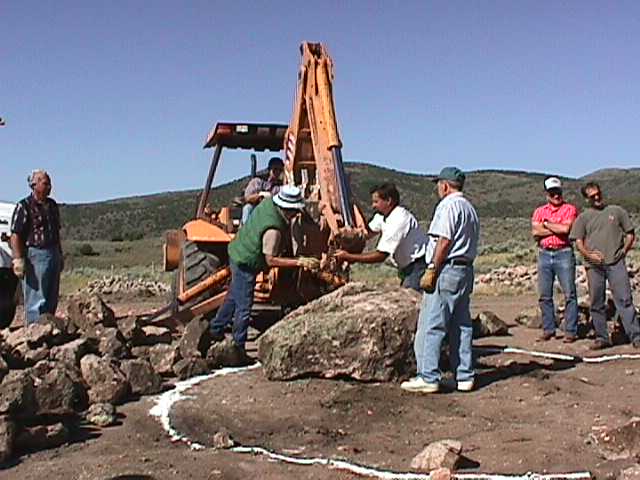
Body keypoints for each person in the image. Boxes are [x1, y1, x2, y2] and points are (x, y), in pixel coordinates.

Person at [210, 185, 320, 360]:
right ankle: (238, 348)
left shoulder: (268, 204)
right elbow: (271, 260)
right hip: (245, 262)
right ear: (289, 210)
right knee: (244, 306)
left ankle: (215, 330)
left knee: (233, 296)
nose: (296, 215)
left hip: (238, 250)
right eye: (295, 211)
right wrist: (298, 261)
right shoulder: (273, 230)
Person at [401, 167, 479, 394]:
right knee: (461, 324)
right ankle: (464, 375)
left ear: (445, 185)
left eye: (438, 184)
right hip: (464, 269)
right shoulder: (469, 208)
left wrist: (433, 267)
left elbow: (444, 240)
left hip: (446, 268)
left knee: (432, 323)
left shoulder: (448, 206)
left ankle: (428, 375)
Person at [570, 182, 640, 350]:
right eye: (592, 196)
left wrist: (624, 251)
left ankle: (636, 336)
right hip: (594, 266)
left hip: (616, 262)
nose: (597, 197)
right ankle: (602, 337)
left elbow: (630, 234)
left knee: (624, 299)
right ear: (586, 199)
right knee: (596, 301)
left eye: (598, 194)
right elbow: (578, 242)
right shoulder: (583, 218)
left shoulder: (616, 211)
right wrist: (589, 255)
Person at [334, 183, 427, 292]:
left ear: (388, 201)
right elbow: (367, 233)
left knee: (411, 295)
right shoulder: (381, 217)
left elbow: (381, 255)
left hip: (417, 266)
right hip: (406, 267)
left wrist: (349, 257)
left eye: (376, 202)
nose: (373, 205)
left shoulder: (399, 219)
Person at [10, 170, 63, 325]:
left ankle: (49, 326)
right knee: (36, 296)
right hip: (35, 255)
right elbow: (16, 234)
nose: (49, 187)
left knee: (51, 294)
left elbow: (56, 231)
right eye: (45, 183)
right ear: (34, 185)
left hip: (52, 251)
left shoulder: (52, 205)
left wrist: (60, 254)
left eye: (49, 184)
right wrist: (18, 259)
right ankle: (35, 329)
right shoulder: (24, 206)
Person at [531, 177, 579, 342]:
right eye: (552, 193)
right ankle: (548, 328)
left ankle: (570, 331)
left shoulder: (569, 209)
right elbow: (535, 232)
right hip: (544, 253)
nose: (556, 196)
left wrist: (546, 224)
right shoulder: (539, 211)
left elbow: (566, 229)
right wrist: (555, 227)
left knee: (569, 293)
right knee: (545, 294)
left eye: (558, 192)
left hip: (563, 252)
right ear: (547, 194)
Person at [241, 157, 285, 224]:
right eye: (275, 169)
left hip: (271, 212)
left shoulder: (280, 186)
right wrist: (260, 195)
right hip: (256, 210)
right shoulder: (257, 181)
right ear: (269, 169)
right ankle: (246, 228)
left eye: (280, 170)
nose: (277, 172)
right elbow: (247, 198)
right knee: (247, 208)